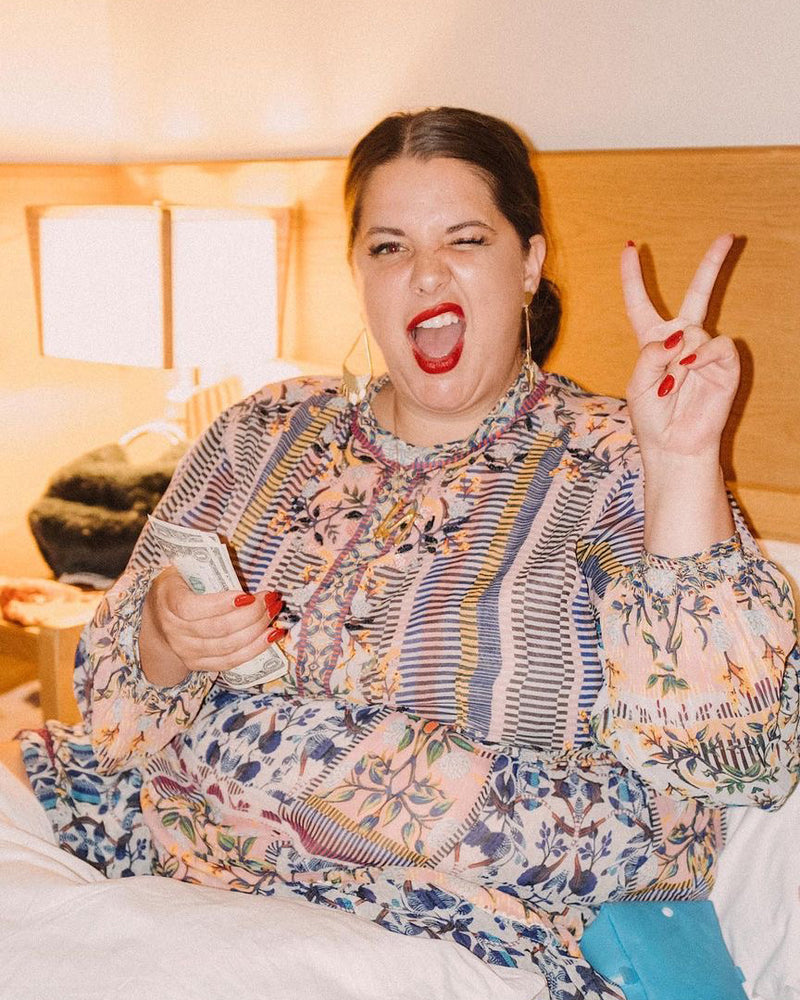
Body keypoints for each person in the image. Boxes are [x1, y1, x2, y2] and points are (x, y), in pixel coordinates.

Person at [2, 107, 798, 998]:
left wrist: (682, 460)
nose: (426, 273)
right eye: (389, 247)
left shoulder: (619, 461)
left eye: (466, 239)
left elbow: (734, 762)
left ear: (529, 262)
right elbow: (109, 715)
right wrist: (162, 634)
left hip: (454, 927)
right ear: (358, 272)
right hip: (164, 859)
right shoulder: (260, 430)